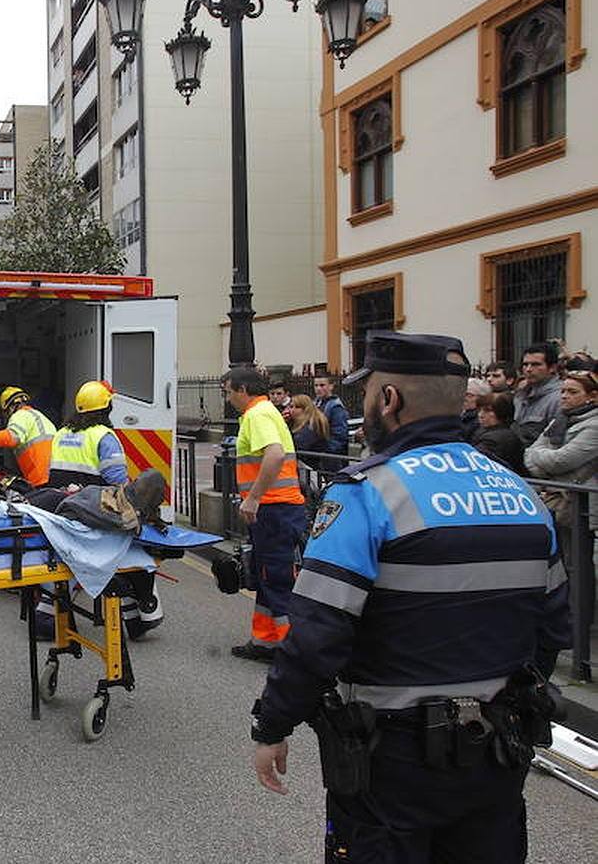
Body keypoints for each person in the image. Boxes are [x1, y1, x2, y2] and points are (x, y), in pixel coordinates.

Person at [250, 330, 569, 863]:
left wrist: (273, 724)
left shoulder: (367, 493)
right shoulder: (520, 493)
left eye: (369, 391)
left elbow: (316, 637)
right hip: (497, 752)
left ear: (389, 399)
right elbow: (553, 628)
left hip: (392, 762)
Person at [41, 380, 162, 640]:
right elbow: (117, 481)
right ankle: (142, 615)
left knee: (71, 561)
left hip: (63, 509)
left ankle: (45, 615)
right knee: (136, 553)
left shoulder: (62, 432)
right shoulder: (104, 437)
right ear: (107, 407)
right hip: (95, 512)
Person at [224, 367, 307, 662]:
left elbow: (274, 454)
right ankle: (264, 642)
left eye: (229, 391)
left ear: (243, 390)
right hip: (278, 509)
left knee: (276, 579)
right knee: (265, 576)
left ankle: (293, 653)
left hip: (274, 509)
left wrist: (254, 498)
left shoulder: (258, 415)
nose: (228, 397)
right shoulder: (264, 412)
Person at [523, 370, 598, 578]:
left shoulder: (594, 425)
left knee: (579, 565)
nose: (564, 396)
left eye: (572, 392)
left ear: (592, 395)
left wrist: (541, 461)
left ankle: (581, 609)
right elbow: (529, 453)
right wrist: (543, 462)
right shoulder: (559, 420)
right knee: (560, 562)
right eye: (563, 391)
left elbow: (561, 461)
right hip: (555, 499)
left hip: (579, 505)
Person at [514, 343, 563, 445]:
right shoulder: (520, 394)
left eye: (536, 364)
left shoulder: (559, 398)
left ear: (552, 368)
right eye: (525, 364)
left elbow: (555, 442)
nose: (528, 369)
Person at [473, 392, 526, 475]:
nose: (480, 415)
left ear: (502, 412)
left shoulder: (494, 440)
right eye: (479, 410)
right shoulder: (487, 432)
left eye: (488, 411)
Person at [313, 375, 349, 459]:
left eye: (322, 385)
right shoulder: (315, 403)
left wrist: (326, 451)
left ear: (331, 386)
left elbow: (340, 435)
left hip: (331, 455)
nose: (318, 388)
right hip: (319, 453)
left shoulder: (335, 406)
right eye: (316, 385)